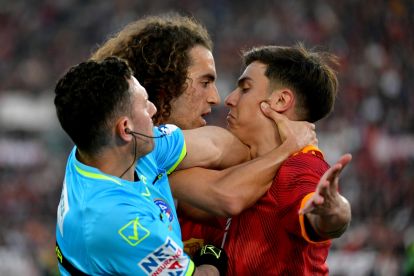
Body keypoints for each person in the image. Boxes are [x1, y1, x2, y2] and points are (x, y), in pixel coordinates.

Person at [54, 57, 316, 275]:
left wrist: (261, 147)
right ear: (125, 128)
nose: (154, 109)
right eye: (144, 106)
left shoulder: (112, 149)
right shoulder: (119, 223)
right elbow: (229, 199)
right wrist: (211, 260)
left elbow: (216, 145)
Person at [90, 13, 321, 256]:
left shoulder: (160, 145)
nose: (217, 98)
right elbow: (228, 194)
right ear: (167, 84)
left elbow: (222, 147)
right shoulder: (136, 151)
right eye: (205, 82)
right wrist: (288, 147)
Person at [170, 44, 352, 275]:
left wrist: (335, 212)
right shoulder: (231, 160)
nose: (229, 99)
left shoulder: (302, 165)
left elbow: (320, 216)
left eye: (245, 89)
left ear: (279, 101)